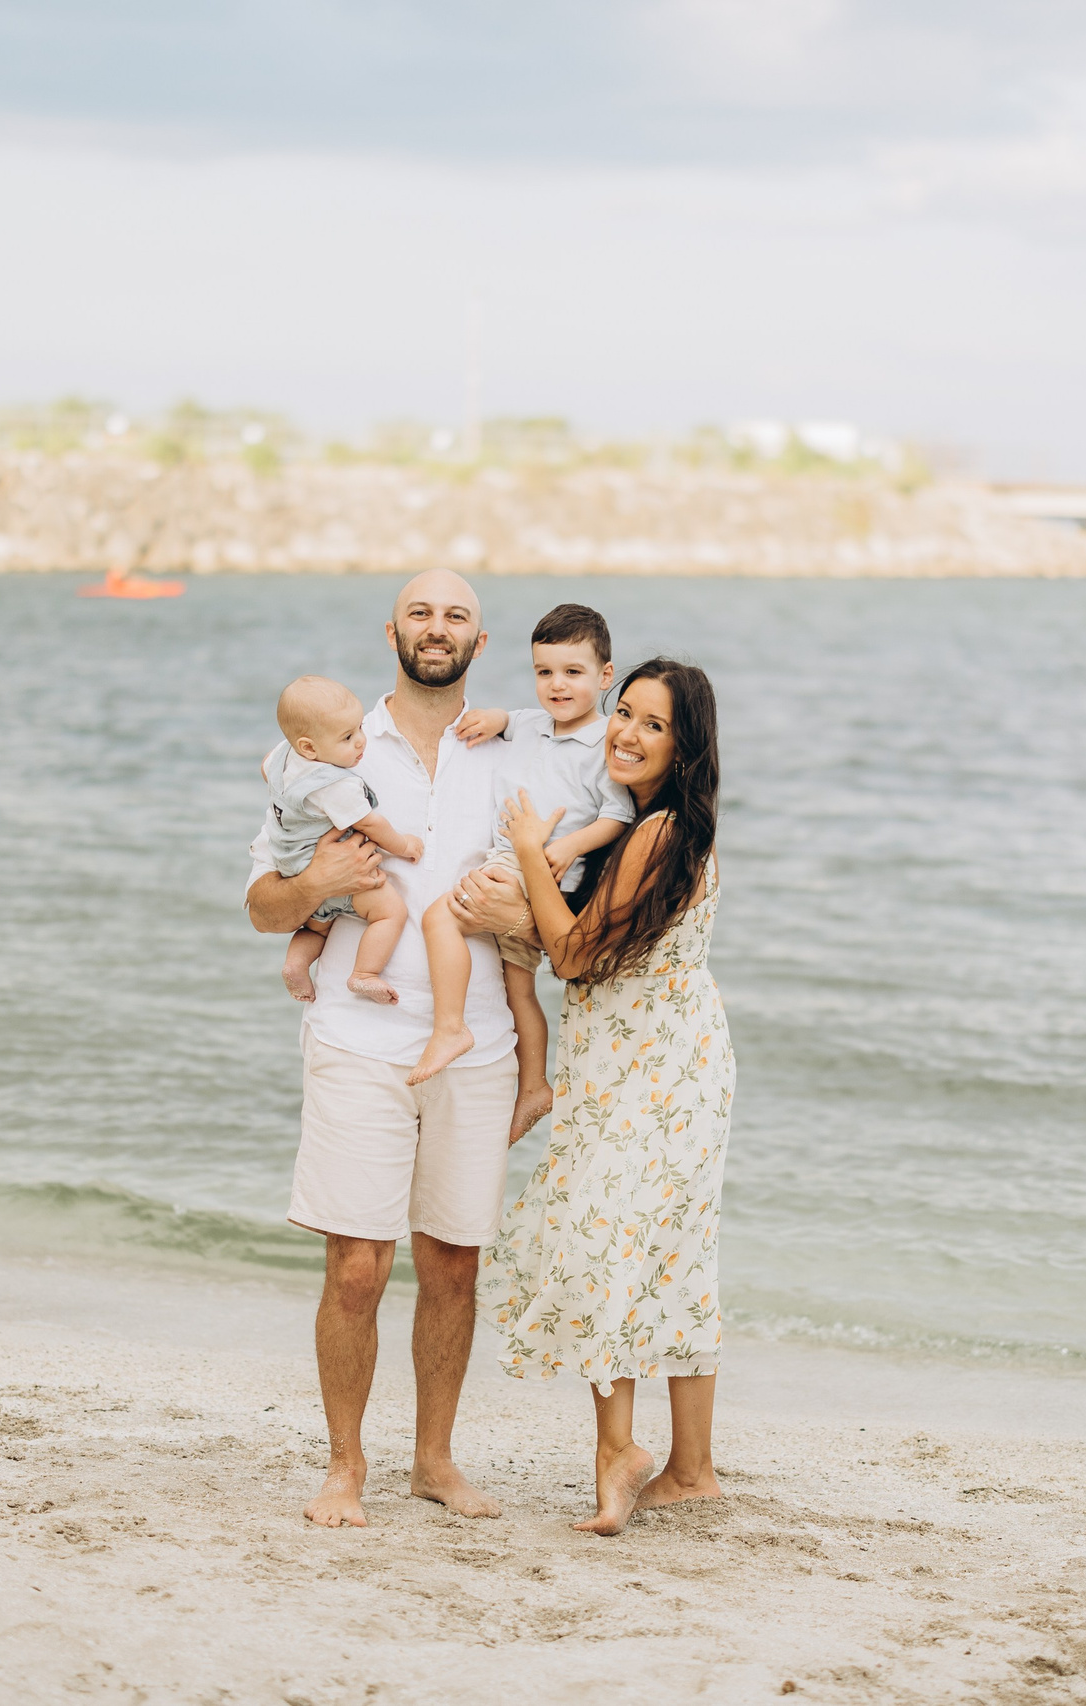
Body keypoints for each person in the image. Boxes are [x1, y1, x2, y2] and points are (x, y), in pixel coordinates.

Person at [241, 570, 541, 1529]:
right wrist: (317, 881)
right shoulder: (331, 748)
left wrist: (523, 917)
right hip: (356, 1036)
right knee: (357, 1266)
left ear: (479, 643)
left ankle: (435, 1461)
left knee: (453, 1265)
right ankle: (344, 1468)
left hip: (478, 1044)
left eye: (456, 616)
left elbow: (555, 896)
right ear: (392, 633)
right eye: (420, 612)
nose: (436, 628)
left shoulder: (515, 751)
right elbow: (262, 906)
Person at [465, 657, 734, 1537]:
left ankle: (619, 1455)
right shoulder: (650, 829)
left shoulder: (657, 835)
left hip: (652, 1070)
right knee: (670, 1254)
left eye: (655, 725)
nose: (627, 733)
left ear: (684, 747)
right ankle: (690, 1470)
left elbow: (577, 957)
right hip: (656, 1059)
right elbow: (600, 952)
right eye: (625, 714)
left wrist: (526, 850)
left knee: (600, 1241)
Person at [408, 603, 634, 1087]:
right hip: (518, 864)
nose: (557, 685)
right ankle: (534, 1085)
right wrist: (493, 718)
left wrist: (570, 846)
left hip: (537, 868)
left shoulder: (603, 743)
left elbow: (618, 815)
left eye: (573, 672)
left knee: (437, 918)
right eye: (544, 672)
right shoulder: (532, 722)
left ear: (604, 676)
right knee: (518, 989)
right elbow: (511, 721)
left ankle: (450, 1027)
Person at [265, 675, 425, 1004]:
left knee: (316, 928)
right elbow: (370, 823)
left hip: (291, 865)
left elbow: (265, 769)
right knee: (391, 913)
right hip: (336, 873)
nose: (361, 742)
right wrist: (404, 845)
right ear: (309, 748)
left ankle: (296, 964)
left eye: (360, 728)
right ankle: (364, 974)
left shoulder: (283, 755)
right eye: (348, 737)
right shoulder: (336, 785)